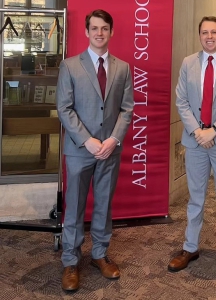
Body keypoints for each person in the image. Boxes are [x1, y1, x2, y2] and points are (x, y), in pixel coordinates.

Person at [56, 9, 134, 291]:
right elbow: (64, 108)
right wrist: (87, 140)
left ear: (111, 32)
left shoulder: (123, 67)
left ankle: (100, 254)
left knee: (104, 205)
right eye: (94, 28)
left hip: (109, 151)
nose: (99, 33)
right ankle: (70, 261)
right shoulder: (70, 66)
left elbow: (127, 110)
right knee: (74, 207)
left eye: (104, 28)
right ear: (86, 32)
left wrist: (113, 140)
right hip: (80, 150)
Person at [168, 16, 216, 283]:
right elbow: (181, 100)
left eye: (214, 32)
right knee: (195, 198)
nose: (209, 36)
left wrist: (213, 131)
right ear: (199, 35)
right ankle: (190, 248)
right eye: (205, 32)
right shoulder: (188, 63)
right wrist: (197, 132)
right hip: (195, 141)